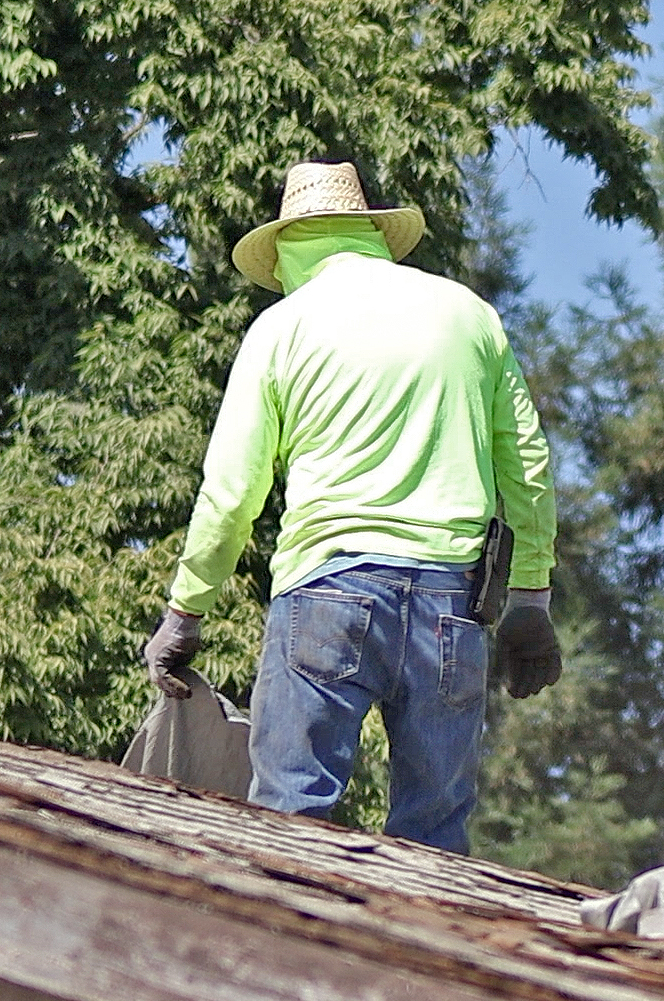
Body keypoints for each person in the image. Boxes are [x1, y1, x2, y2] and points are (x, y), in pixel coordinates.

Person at [141, 159, 561, 853]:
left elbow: (230, 492)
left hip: (326, 595)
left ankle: (283, 957)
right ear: (369, 233)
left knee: (289, 824)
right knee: (435, 837)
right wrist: (531, 599)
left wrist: (186, 612)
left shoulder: (281, 328)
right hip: (451, 609)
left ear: (286, 250)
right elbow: (529, 466)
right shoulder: (468, 314)